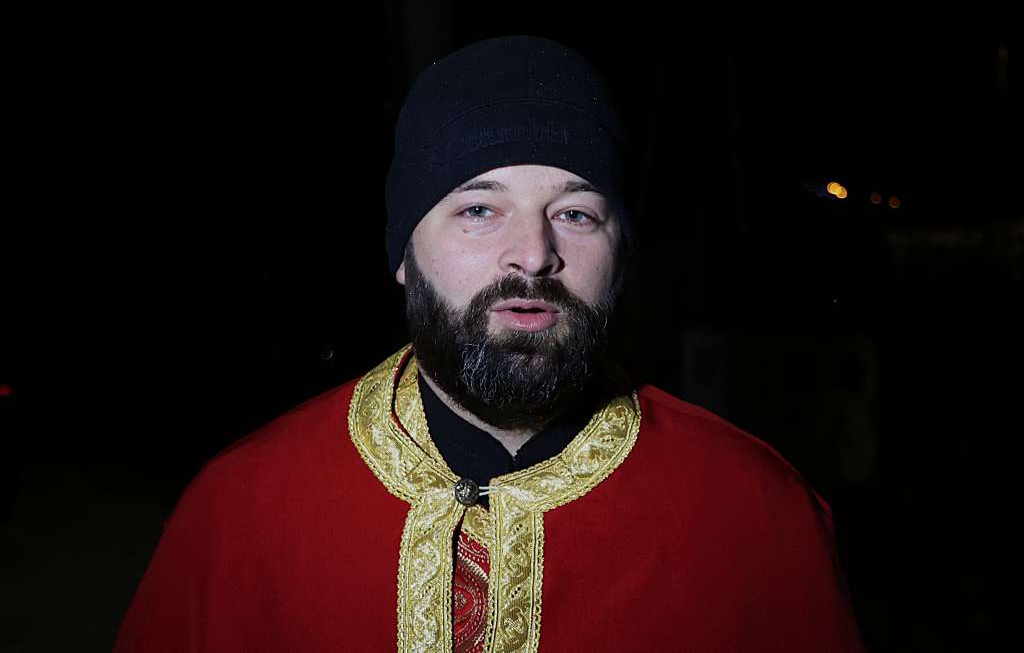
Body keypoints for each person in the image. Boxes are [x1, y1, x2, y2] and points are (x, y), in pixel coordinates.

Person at [114, 35, 866, 652]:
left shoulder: (756, 515)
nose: (533, 254)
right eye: (479, 209)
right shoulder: (242, 511)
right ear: (404, 255)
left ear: (621, 254)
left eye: (575, 213)